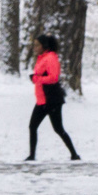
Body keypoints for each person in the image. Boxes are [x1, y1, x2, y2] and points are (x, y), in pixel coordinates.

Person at [25, 34, 81, 162]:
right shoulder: (42, 58)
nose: (35, 47)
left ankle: (74, 154)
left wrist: (36, 78)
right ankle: (32, 155)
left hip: (52, 99)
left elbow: (53, 77)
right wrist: (36, 78)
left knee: (58, 128)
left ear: (44, 46)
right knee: (33, 126)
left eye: (37, 45)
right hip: (42, 99)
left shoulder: (50, 58)